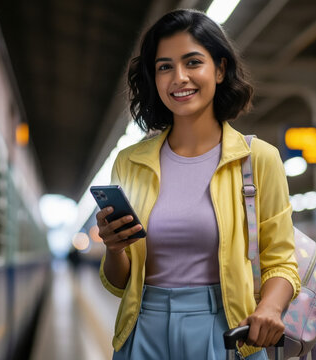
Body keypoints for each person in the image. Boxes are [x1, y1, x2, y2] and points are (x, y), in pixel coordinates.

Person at [96, 9, 300, 360]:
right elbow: (119, 284)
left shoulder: (258, 159)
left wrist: (270, 308)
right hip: (142, 330)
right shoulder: (130, 162)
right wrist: (114, 248)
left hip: (227, 330)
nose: (179, 78)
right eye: (164, 67)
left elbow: (281, 261)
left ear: (219, 70)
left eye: (193, 62)